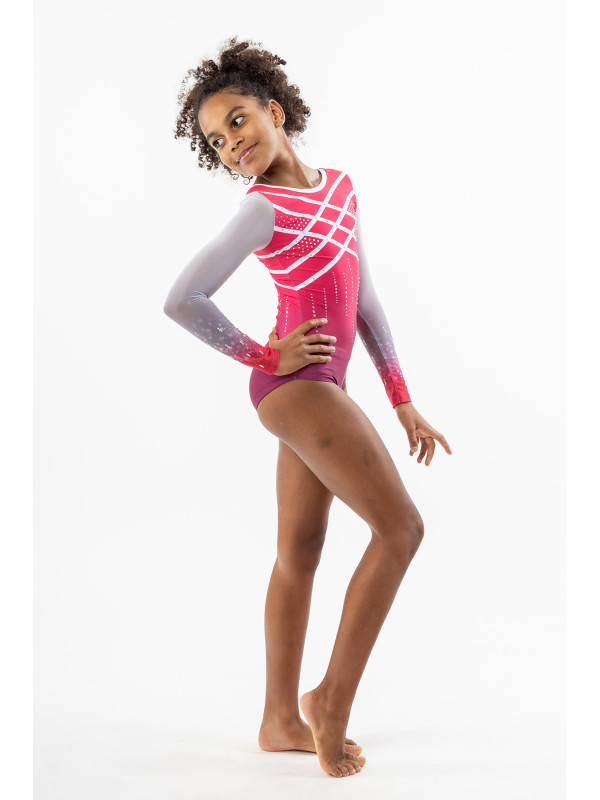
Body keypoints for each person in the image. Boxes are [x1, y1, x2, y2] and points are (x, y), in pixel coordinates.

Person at [164, 36, 452, 779]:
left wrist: (402, 399)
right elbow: (183, 300)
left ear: (275, 110)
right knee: (402, 530)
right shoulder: (261, 210)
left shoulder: (341, 188)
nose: (231, 143)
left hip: (326, 390)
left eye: (237, 121)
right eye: (216, 141)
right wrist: (265, 358)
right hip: (297, 389)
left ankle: (278, 720)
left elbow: (365, 301)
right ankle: (329, 704)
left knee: (301, 550)